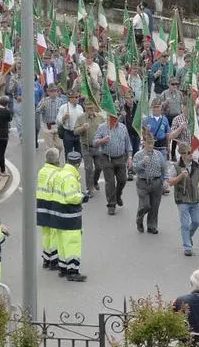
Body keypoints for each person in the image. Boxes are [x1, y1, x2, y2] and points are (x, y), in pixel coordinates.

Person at [168, 143, 199, 256]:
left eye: (191, 151)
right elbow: (170, 182)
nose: (191, 154)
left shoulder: (196, 165)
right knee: (185, 224)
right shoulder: (175, 166)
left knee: (197, 222)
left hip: (195, 198)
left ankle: (187, 237)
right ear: (182, 154)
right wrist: (181, 176)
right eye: (188, 152)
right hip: (182, 199)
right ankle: (187, 247)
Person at [53, 151, 88, 282]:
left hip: (58, 214)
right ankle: (73, 271)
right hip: (70, 215)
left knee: (61, 242)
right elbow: (71, 197)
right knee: (73, 243)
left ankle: (63, 268)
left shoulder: (60, 174)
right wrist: (83, 197)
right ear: (78, 164)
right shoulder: (70, 178)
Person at [95, 111, 133, 215]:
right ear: (107, 118)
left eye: (115, 118)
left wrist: (130, 158)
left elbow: (128, 145)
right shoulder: (102, 127)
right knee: (110, 182)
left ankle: (117, 195)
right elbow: (95, 142)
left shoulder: (123, 128)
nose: (113, 121)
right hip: (107, 158)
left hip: (120, 158)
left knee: (123, 180)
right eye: (111, 118)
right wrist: (102, 140)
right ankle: (111, 204)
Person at [133, 135, 168, 234]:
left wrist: (165, 179)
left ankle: (152, 226)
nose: (150, 145)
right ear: (143, 142)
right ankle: (139, 219)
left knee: (155, 206)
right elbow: (134, 168)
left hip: (156, 182)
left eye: (152, 143)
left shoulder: (158, 154)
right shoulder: (138, 155)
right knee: (145, 205)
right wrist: (142, 163)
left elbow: (163, 168)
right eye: (148, 143)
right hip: (143, 182)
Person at [36, 148, 63, 271]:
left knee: (46, 233)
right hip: (52, 203)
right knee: (54, 234)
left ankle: (46, 259)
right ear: (56, 160)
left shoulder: (42, 171)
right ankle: (53, 260)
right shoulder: (57, 173)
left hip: (41, 203)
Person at [75, 100, 105, 195]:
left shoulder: (100, 118)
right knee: (88, 168)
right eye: (88, 108)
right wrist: (82, 128)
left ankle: (95, 181)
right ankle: (89, 188)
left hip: (98, 147)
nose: (90, 110)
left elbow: (105, 130)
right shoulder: (81, 118)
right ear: (85, 108)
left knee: (99, 167)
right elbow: (75, 131)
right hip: (86, 146)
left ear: (95, 107)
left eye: (92, 108)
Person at [56, 90, 84, 157]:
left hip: (78, 133)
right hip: (68, 133)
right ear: (71, 98)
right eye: (76, 97)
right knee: (68, 154)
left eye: (78, 97)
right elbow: (58, 121)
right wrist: (64, 118)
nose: (78, 99)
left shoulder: (80, 107)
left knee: (79, 154)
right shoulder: (63, 107)